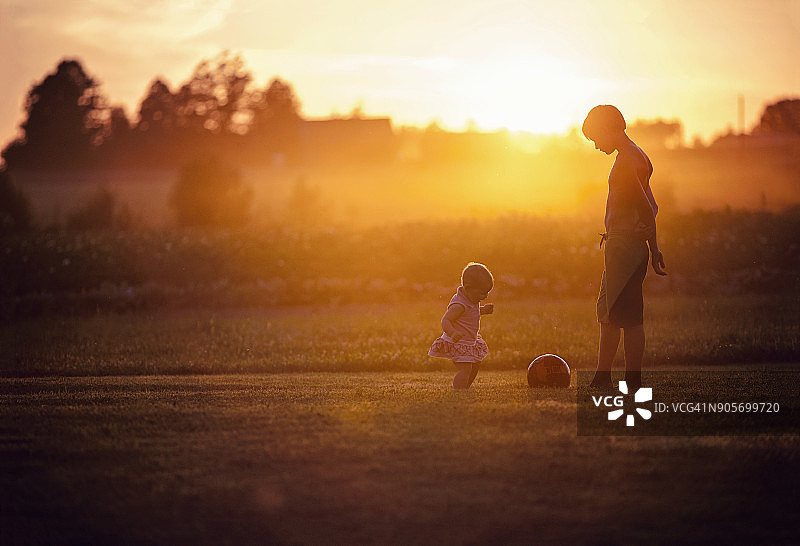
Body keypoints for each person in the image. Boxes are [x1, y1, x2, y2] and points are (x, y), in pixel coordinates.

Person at [581, 105, 667, 391]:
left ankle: (617, 379)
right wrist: (652, 248)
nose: (596, 146)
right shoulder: (638, 155)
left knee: (619, 316)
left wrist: (653, 247)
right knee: (619, 314)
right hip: (628, 246)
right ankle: (615, 378)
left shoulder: (626, 161)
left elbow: (646, 207)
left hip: (623, 247)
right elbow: (652, 207)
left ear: (609, 128)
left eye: (596, 138)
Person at [428, 262, 495, 390]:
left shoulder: (471, 299)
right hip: (459, 341)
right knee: (465, 369)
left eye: (487, 293)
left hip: (469, 341)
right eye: (482, 293)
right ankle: (459, 391)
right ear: (468, 288)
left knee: (475, 365)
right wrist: (452, 333)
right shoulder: (459, 305)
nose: (485, 296)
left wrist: (483, 310)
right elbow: (445, 320)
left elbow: (471, 313)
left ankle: (465, 387)